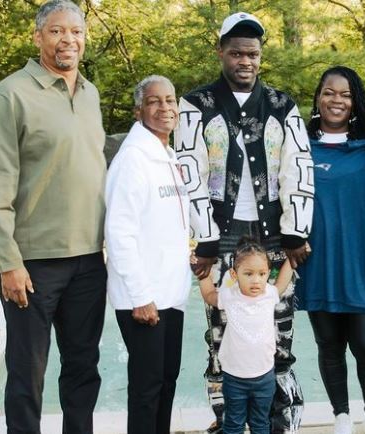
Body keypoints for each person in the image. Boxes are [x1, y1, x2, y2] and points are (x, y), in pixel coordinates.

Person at [175, 12, 314, 434]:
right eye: (236, 52)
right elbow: (189, 170)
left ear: (261, 56)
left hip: (273, 232)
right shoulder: (194, 105)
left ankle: (279, 420)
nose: (245, 60)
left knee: (280, 327)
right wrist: (204, 240)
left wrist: (297, 231)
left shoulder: (282, 105)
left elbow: (298, 166)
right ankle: (226, 420)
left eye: (252, 53)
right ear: (221, 52)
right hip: (221, 232)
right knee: (221, 332)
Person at [0, 1, 107, 432]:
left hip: (88, 261)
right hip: (32, 263)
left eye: (76, 32)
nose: (68, 40)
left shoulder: (91, 93)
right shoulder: (12, 93)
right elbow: (0, 180)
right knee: (27, 375)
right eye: (57, 32)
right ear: (38, 37)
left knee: (83, 370)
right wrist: (7, 260)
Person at [294, 66, 365, 434]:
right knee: (329, 342)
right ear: (318, 98)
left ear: (354, 101)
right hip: (316, 258)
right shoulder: (300, 146)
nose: (336, 100)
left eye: (345, 94)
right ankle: (341, 416)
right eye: (329, 92)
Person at [104, 75, 191, 434]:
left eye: (170, 100)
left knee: (166, 380)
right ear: (139, 109)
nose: (165, 108)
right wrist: (141, 296)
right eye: (155, 102)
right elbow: (119, 233)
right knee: (146, 388)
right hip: (144, 298)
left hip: (171, 293)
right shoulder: (132, 160)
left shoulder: (166, 154)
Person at [196, 237, 296, 434]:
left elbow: (283, 281)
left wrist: (292, 258)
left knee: (260, 424)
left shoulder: (269, 294)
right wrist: (201, 273)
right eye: (248, 274)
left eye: (262, 274)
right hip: (234, 378)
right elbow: (209, 295)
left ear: (268, 273)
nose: (256, 280)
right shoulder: (229, 296)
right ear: (235, 274)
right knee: (234, 424)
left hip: (264, 377)